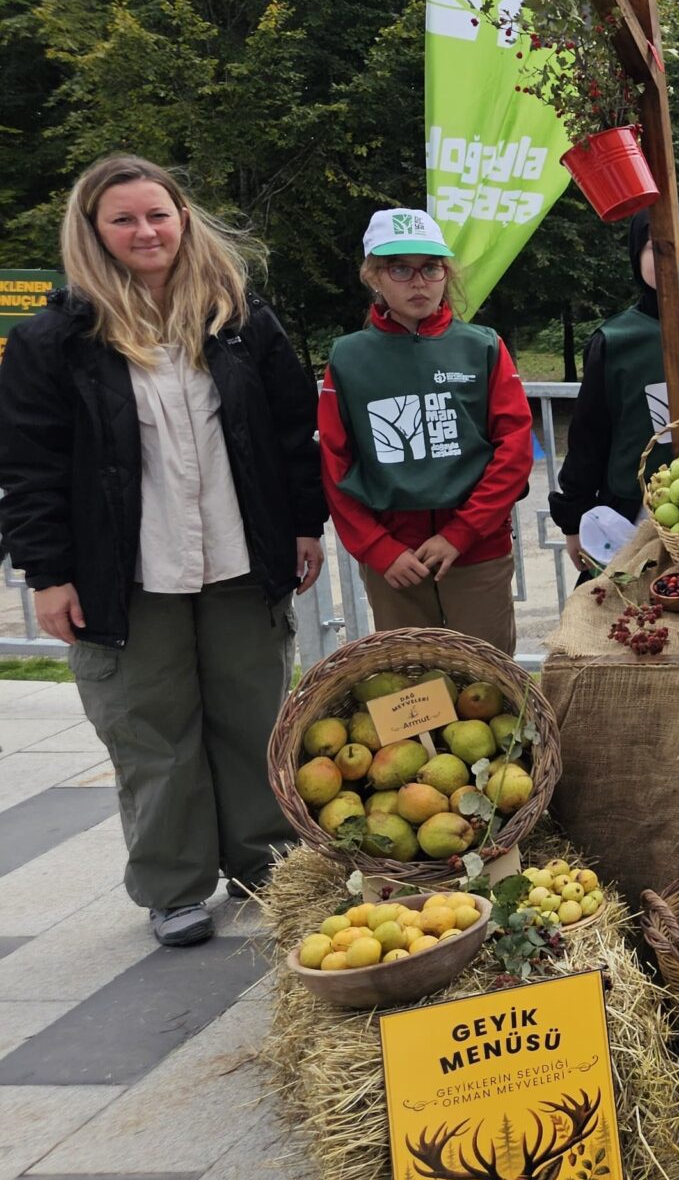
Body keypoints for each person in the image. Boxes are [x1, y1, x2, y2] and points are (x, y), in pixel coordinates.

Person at [0, 154, 326, 946]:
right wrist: (48, 575)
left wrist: (303, 523)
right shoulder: (57, 340)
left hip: (238, 558)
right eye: (124, 218)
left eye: (158, 214)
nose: (145, 231)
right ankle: (174, 885)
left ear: (184, 219)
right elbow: (30, 465)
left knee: (253, 718)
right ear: (94, 232)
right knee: (151, 731)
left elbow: (291, 434)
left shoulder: (241, 318)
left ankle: (266, 861)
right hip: (129, 570)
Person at [316, 210, 533, 652]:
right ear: (374, 276)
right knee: (412, 683)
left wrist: (462, 532)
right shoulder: (348, 358)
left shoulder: (482, 346)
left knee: (487, 683)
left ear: (445, 273)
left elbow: (514, 449)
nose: (418, 282)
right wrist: (378, 549)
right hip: (395, 558)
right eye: (400, 268)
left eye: (431, 268)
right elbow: (336, 466)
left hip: (476, 550)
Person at [549, 208, 679, 571]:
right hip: (640, 511)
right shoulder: (615, 340)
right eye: (655, 247)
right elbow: (589, 436)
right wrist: (573, 519)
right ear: (635, 256)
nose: (672, 258)